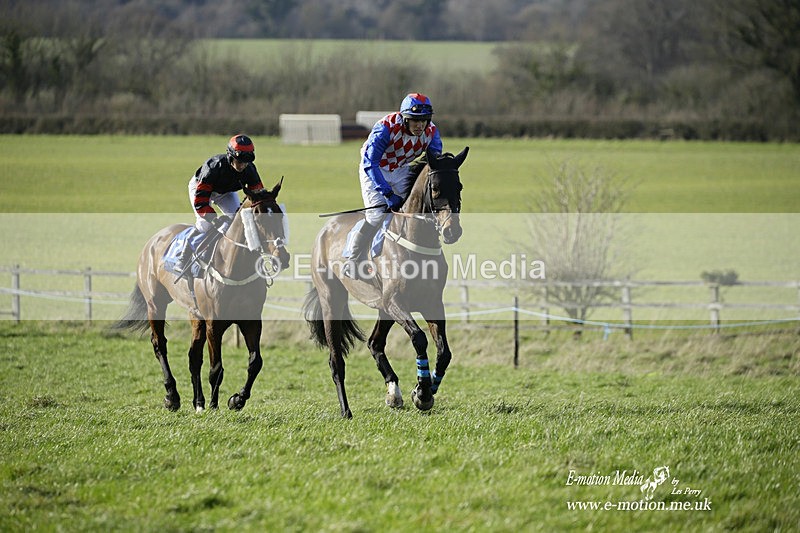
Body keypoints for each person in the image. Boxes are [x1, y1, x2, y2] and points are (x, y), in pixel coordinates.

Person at [345, 92, 443, 279]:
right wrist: (388, 194)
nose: (420, 125)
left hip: (401, 169)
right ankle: (354, 258)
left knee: (413, 208)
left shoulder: (431, 132)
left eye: (424, 120)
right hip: (375, 169)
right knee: (376, 214)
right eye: (415, 120)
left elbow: (434, 161)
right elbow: (370, 164)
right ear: (405, 119)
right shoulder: (385, 128)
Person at [174, 134, 265, 275]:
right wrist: (213, 219)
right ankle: (183, 256)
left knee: (236, 221)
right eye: (239, 161)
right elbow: (201, 201)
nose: (243, 165)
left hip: (226, 192)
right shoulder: (213, 167)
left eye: (246, 162)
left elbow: (257, 195)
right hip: (202, 190)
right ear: (230, 156)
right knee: (205, 225)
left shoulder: (249, 169)